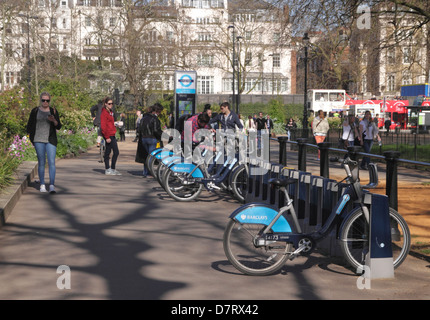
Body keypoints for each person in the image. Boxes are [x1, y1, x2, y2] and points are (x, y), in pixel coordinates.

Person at [26, 92, 62, 193]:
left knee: (51, 162)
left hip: (50, 139)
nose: (45, 102)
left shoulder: (53, 111)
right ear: (40, 100)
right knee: (41, 162)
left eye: (47, 100)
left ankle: (51, 185)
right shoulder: (35, 111)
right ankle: (42, 184)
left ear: (49, 101)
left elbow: (58, 125)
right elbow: (29, 125)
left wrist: (53, 120)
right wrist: (31, 138)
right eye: (43, 100)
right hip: (38, 139)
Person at [138, 103, 164, 177]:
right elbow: (156, 130)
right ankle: (148, 173)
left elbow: (140, 129)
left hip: (144, 138)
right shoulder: (154, 119)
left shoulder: (144, 118)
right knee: (151, 156)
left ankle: (145, 172)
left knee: (147, 156)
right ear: (157, 111)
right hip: (152, 138)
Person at [100, 97, 121, 175]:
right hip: (108, 135)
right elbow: (103, 126)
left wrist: (116, 124)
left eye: (112, 103)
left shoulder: (110, 112)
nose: (111, 105)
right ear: (105, 104)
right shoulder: (104, 113)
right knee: (115, 152)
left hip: (112, 133)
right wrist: (107, 137)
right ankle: (109, 169)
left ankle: (110, 169)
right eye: (109, 103)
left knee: (108, 152)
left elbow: (110, 123)